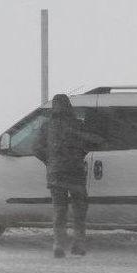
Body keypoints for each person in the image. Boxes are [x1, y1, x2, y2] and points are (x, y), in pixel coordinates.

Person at [33, 94, 92, 258]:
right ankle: (78, 244)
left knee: (59, 210)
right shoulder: (78, 125)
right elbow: (87, 144)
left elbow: (36, 148)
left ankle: (58, 244)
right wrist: (78, 156)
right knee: (79, 210)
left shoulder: (47, 126)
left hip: (56, 174)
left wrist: (50, 160)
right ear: (69, 106)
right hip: (75, 173)